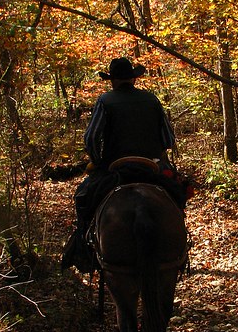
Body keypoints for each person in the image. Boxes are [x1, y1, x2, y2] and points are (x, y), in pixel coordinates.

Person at [61, 56, 182, 271]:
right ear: (133, 79)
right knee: (179, 193)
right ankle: (182, 245)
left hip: (114, 167)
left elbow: (91, 138)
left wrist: (98, 162)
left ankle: (83, 249)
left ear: (112, 80)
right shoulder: (151, 100)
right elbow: (168, 139)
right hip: (152, 166)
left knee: (83, 196)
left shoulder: (105, 101)